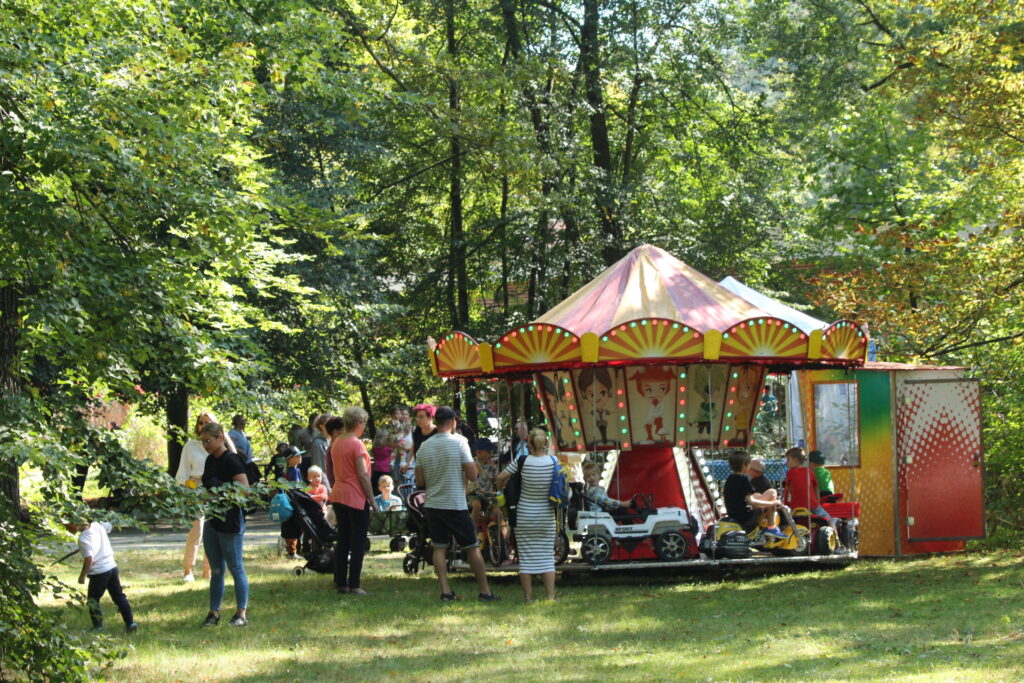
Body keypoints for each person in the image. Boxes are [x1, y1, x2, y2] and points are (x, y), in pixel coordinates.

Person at [415, 406, 499, 602]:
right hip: (455, 504)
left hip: (434, 503)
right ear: (453, 423)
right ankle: (485, 591)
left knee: (439, 547)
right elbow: (472, 475)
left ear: (435, 423)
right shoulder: (460, 443)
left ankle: (445, 590)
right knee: (472, 546)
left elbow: (420, 481)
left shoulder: (424, 447)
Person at [495, 428, 557, 602]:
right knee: (547, 556)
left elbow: (500, 478)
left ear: (528, 443)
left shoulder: (521, 461)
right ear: (546, 443)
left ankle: (528, 597)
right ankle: (550, 597)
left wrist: (500, 494)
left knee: (526, 558)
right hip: (546, 515)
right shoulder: (553, 461)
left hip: (523, 515)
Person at [199, 421, 250, 627]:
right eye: (203, 442)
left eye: (208, 441)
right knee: (216, 569)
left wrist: (221, 490)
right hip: (212, 518)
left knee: (236, 567)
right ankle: (214, 613)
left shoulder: (232, 460)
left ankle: (241, 613)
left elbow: (245, 490)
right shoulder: (210, 460)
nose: (206, 445)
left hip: (230, 520)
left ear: (221, 437)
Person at [329, 406, 375, 595]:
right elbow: (363, 475)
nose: (364, 426)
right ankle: (354, 584)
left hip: (338, 494)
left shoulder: (336, 442)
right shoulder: (356, 444)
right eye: (364, 422)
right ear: (358, 423)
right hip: (355, 496)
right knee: (357, 542)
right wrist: (372, 499)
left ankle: (341, 583)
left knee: (343, 541)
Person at [65, 515, 137, 634]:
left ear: (76, 523)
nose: (66, 528)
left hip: (99, 572)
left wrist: (82, 575)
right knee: (119, 597)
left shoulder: (83, 539)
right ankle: (131, 623)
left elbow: (89, 559)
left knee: (93, 600)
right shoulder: (97, 525)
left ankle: (98, 627)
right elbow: (109, 526)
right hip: (112, 567)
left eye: (67, 525)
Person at [175, 411, 217, 583]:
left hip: (215, 491)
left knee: (212, 530)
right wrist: (193, 488)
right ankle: (188, 570)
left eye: (208, 422)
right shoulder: (190, 446)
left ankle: (208, 570)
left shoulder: (219, 446)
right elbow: (181, 476)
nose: (204, 425)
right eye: (201, 422)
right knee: (197, 530)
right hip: (195, 490)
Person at [723, 450, 785, 538]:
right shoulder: (743, 480)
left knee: (764, 494)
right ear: (744, 465)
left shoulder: (730, 479)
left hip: (733, 513)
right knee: (772, 493)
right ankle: (771, 527)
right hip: (745, 516)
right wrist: (772, 503)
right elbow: (751, 501)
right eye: (749, 465)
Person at [782, 447, 834, 525]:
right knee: (829, 519)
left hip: (796, 507)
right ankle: (836, 535)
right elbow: (816, 488)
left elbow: (789, 490)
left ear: (796, 460)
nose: (786, 463)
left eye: (788, 460)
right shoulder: (809, 472)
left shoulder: (790, 473)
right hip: (812, 505)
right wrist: (817, 502)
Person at [467, 438, 499, 526]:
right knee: (477, 506)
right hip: (475, 493)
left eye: (491, 451)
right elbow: (473, 481)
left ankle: (499, 534)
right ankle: (473, 529)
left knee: (497, 511)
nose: (490, 453)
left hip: (488, 493)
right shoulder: (473, 463)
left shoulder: (491, 465)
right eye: (488, 451)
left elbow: (497, 478)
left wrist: (495, 470)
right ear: (478, 453)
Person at [307, 414, 332, 484]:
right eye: (328, 424)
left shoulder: (330, 441)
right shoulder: (318, 444)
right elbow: (319, 470)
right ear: (321, 426)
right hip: (325, 487)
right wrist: (328, 489)